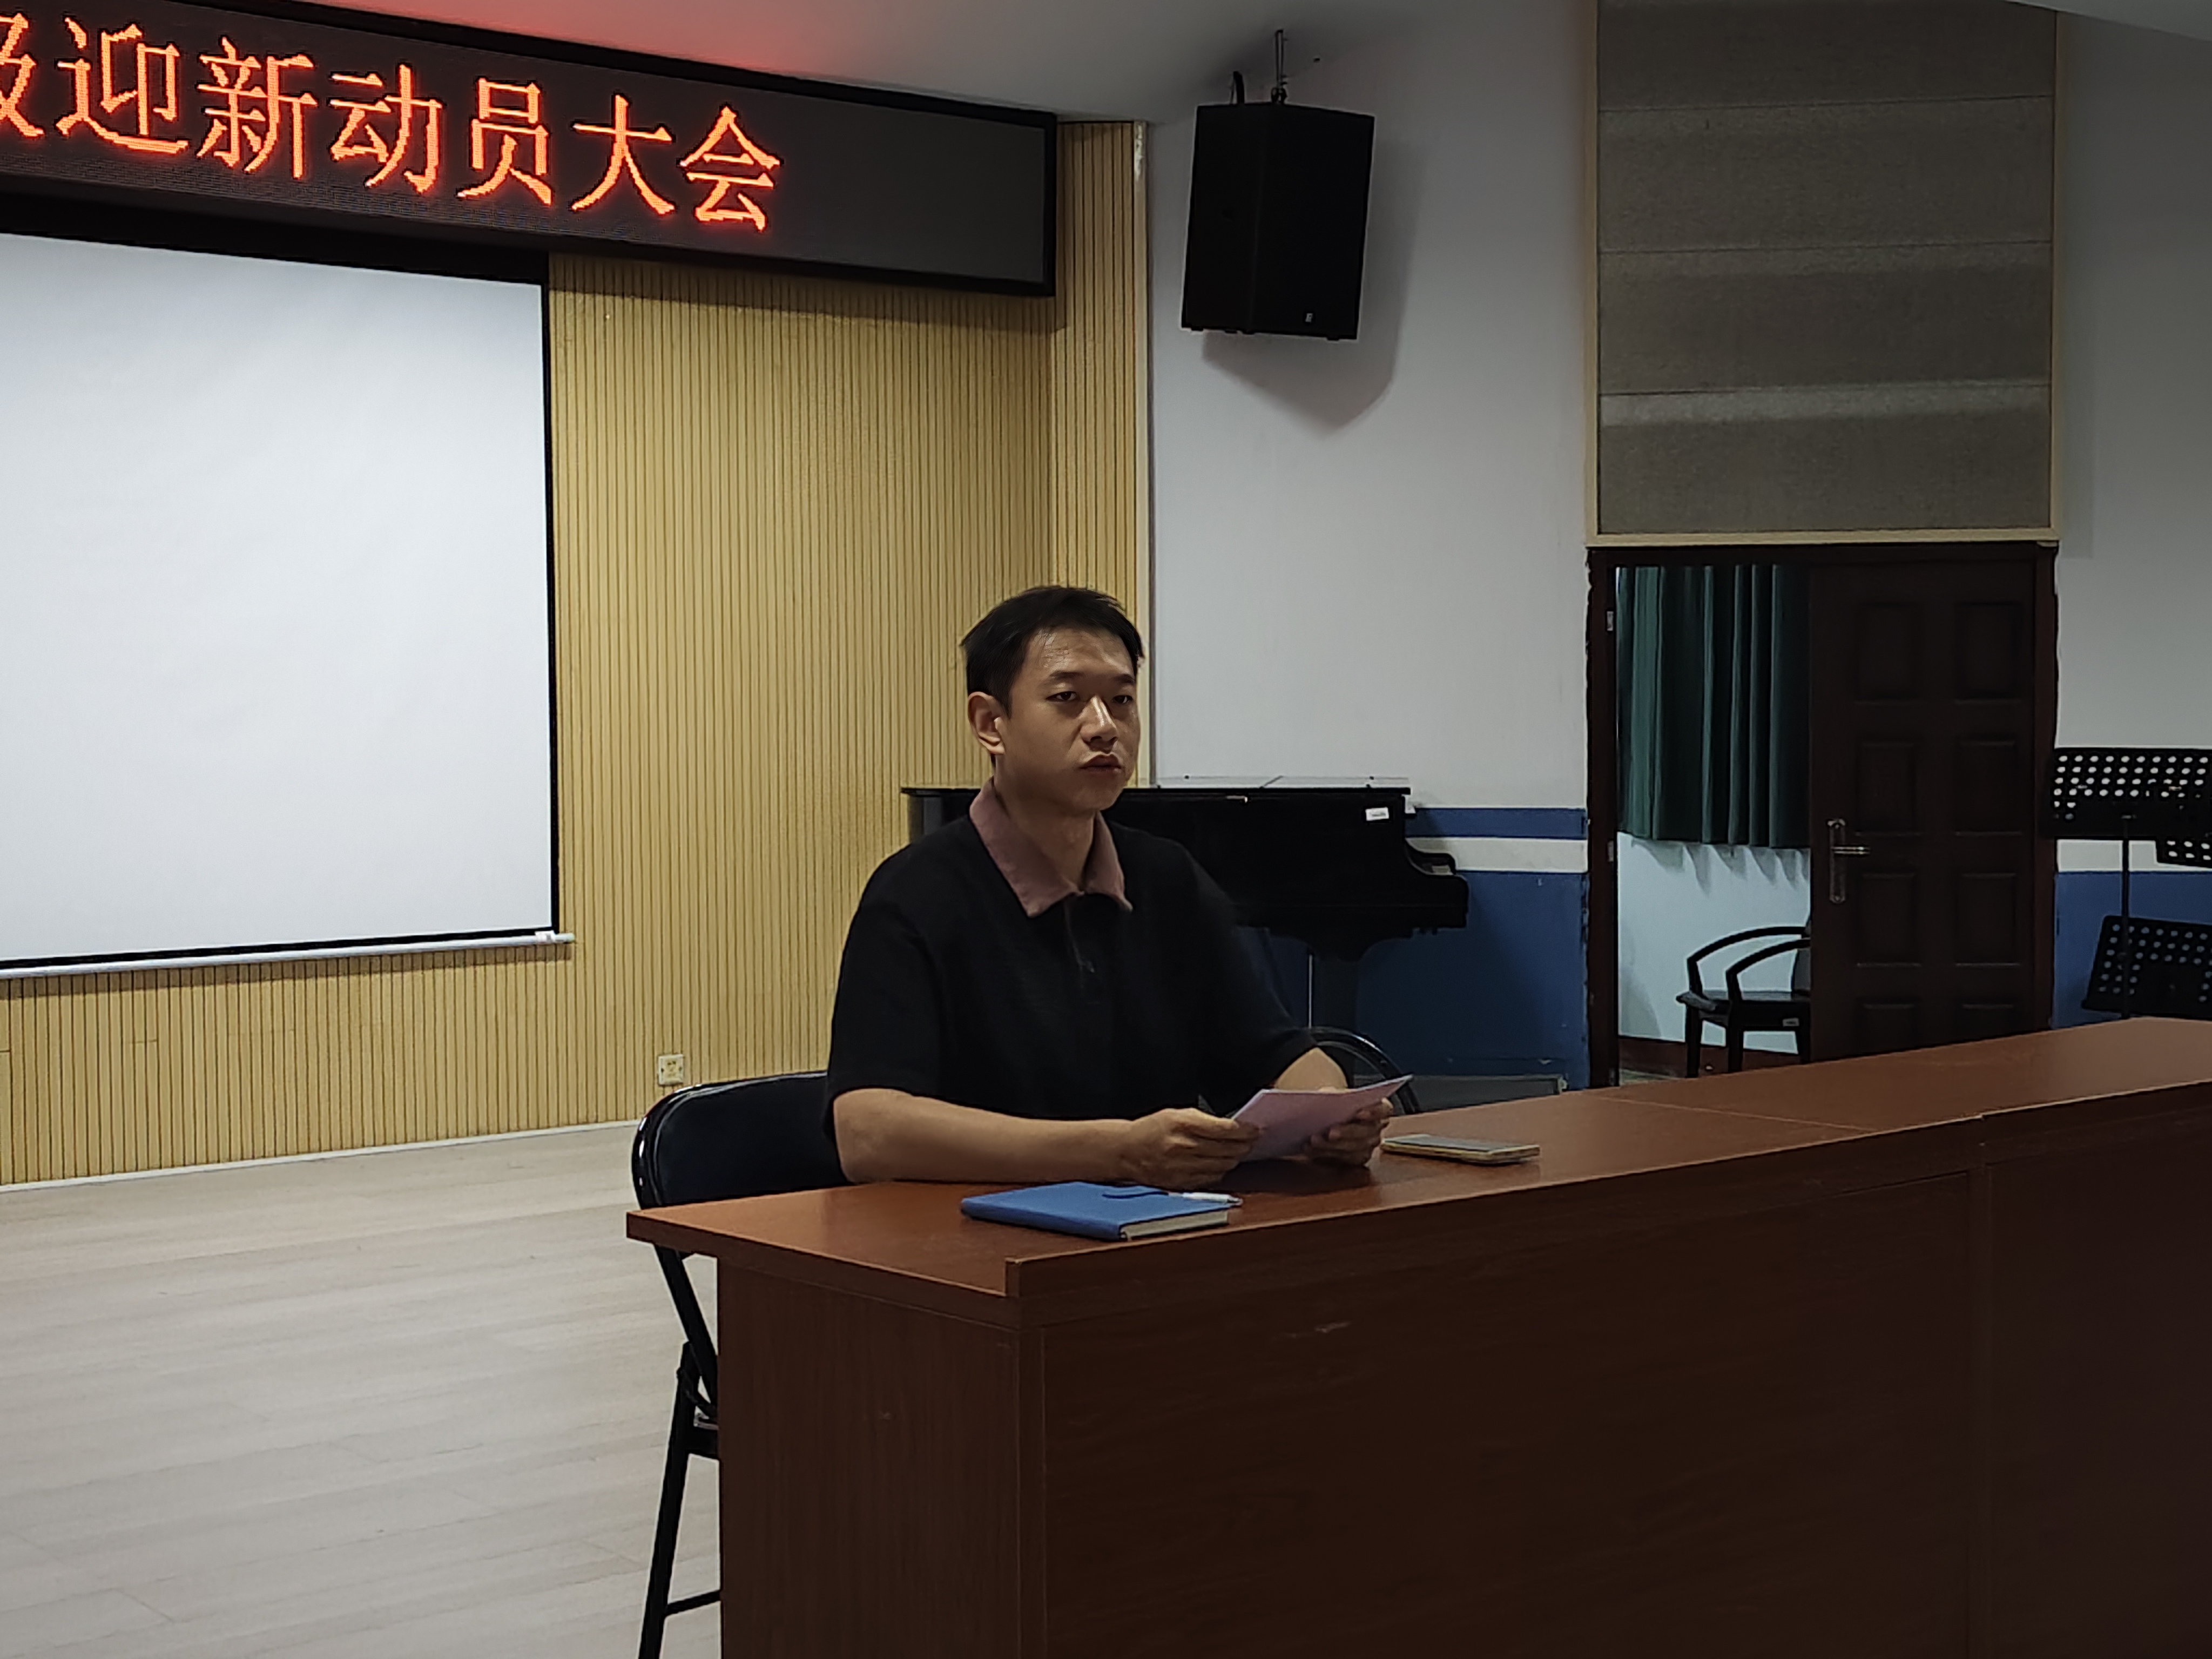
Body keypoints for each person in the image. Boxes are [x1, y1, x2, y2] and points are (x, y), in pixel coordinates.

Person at [827, 585, 1388, 1188]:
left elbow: (1278, 1054)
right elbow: (868, 1133)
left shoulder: (1166, 878)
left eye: (1121, 700)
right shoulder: (915, 894)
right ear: (990, 724)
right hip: (972, 1229)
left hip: (1158, 1224)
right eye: (1067, 699)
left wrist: (1333, 1114)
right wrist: (1115, 1152)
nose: (1103, 727)